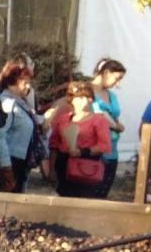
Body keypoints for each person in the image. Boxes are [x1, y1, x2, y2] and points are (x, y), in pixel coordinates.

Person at [49, 80, 112, 199]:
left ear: (90, 99)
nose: (79, 101)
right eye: (76, 98)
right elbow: (54, 144)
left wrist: (83, 151)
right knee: (64, 198)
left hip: (86, 164)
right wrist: (51, 170)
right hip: (64, 164)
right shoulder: (63, 119)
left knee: (83, 198)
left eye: (83, 97)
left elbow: (104, 145)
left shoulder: (99, 120)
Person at [0, 65, 39, 194]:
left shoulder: (20, 102)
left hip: (20, 161)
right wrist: (6, 166)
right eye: (25, 83)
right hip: (10, 162)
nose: (29, 87)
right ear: (13, 82)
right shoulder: (7, 103)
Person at [89, 58, 127, 198]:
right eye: (117, 78)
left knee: (103, 192)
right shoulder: (87, 91)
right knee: (91, 190)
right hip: (95, 149)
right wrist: (115, 126)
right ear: (105, 73)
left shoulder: (112, 96)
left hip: (112, 149)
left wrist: (117, 126)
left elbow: (116, 120)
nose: (118, 83)